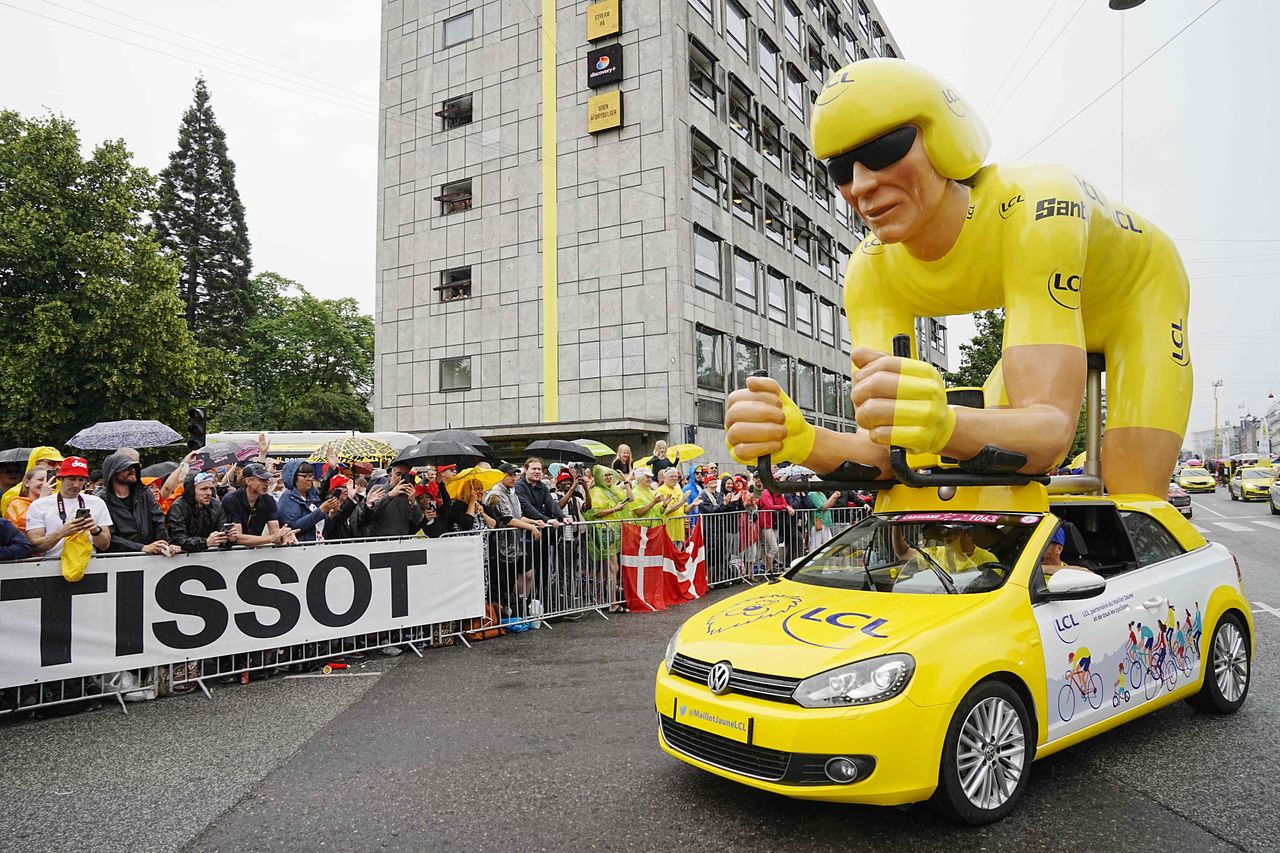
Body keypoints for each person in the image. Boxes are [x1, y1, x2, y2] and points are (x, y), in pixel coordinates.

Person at [726, 58, 1193, 499]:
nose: (862, 185)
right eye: (842, 170)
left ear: (943, 140)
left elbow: (1050, 432)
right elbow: (894, 452)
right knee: (952, 456)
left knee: (1133, 490)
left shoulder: (1036, 208)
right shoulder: (870, 270)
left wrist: (944, 424)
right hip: (1048, 318)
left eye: (883, 150)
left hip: (1140, 296)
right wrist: (801, 439)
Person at [25, 457, 112, 557]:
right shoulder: (39, 505)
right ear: (61, 478)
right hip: (51, 566)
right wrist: (62, 532)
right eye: (71, 479)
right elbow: (35, 547)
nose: (76, 484)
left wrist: (95, 531)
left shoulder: (97, 502)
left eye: (81, 480)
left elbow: (105, 546)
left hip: (88, 565)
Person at [97, 449, 172, 555]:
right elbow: (108, 536)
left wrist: (165, 545)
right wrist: (142, 548)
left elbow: (158, 520)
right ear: (113, 472)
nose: (132, 470)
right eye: (126, 468)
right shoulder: (100, 500)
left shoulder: (145, 493)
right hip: (117, 561)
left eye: (134, 467)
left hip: (152, 557)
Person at [583, 465, 630, 612]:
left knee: (612, 568)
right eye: (605, 475)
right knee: (611, 568)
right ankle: (612, 603)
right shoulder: (596, 492)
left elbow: (631, 498)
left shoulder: (613, 489)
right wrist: (615, 509)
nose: (609, 477)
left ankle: (607, 600)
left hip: (613, 531)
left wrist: (626, 482)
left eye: (610, 474)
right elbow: (595, 512)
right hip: (603, 532)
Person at [222, 462, 296, 547]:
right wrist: (271, 538)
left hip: (255, 551)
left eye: (268, 479)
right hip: (230, 552)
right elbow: (237, 538)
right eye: (262, 480)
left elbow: (275, 533)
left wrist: (285, 536)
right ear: (248, 481)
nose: (267, 483)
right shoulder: (231, 500)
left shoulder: (268, 500)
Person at [165, 471, 230, 552]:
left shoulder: (216, 505)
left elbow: (222, 530)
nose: (209, 493)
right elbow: (178, 539)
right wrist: (205, 542)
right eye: (204, 489)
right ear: (191, 490)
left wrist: (229, 537)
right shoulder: (178, 507)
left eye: (211, 488)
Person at [277, 460, 339, 542]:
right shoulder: (287, 498)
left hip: (320, 546)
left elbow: (322, 528)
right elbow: (292, 527)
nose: (309, 479)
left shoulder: (313, 496)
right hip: (301, 549)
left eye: (311, 476)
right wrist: (320, 511)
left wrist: (331, 515)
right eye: (305, 476)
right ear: (293, 477)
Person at [1, 446, 63, 515]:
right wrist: (42, 500)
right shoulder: (13, 494)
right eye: (52, 463)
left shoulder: (63, 489)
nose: (57, 467)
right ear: (36, 463)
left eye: (60, 464)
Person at [4, 465, 52, 532]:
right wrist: (41, 501)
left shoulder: (54, 502)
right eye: (40, 480)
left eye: (48, 480)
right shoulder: (16, 504)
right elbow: (24, 527)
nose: (45, 484)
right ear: (27, 483)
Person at [655, 467, 694, 546]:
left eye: (676, 476)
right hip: (667, 532)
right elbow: (665, 511)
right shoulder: (660, 490)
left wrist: (694, 504)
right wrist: (682, 501)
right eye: (671, 476)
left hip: (679, 533)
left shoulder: (678, 489)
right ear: (664, 478)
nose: (674, 479)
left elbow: (685, 510)